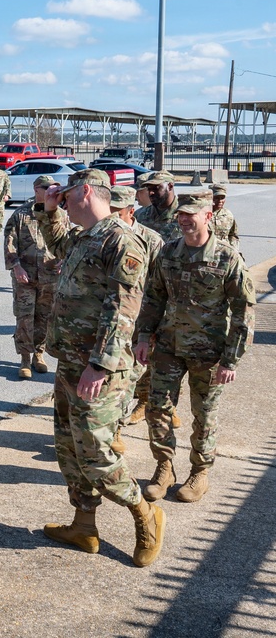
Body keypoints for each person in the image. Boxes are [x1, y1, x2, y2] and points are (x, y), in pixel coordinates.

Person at [35, 168, 165, 568]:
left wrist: (100, 364)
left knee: (95, 452)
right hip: (72, 362)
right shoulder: (85, 237)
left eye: (68, 195)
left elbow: (123, 310)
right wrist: (50, 207)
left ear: (86, 191)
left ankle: (144, 513)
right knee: (69, 447)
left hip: (99, 368)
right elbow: (56, 242)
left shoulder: (122, 241)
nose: (64, 200)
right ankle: (84, 525)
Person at [135, 191, 255, 503]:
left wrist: (231, 359)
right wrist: (144, 337)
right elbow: (153, 298)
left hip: (209, 352)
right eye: (182, 214)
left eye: (192, 214)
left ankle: (199, 472)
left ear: (208, 217)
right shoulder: (169, 252)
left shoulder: (228, 258)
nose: (185, 219)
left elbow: (244, 312)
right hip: (169, 347)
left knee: (204, 414)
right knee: (157, 408)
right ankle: (164, 467)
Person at [107, 185, 163, 455]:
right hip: (111, 320)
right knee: (115, 378)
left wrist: (153, 326)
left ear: (131, 210)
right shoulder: (104, 235)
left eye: (117, 212)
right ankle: (113, 428)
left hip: (140, 322)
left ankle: (120, 424)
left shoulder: (151, 241)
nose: (112, 217)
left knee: (132, 376)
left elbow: (161, 286)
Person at [3, 175, 60, 379]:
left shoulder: (59, 215)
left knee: (44, 318)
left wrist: (65, 260)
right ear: (37, 189)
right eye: (47, 188)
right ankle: (25, 359)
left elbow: (68, 241)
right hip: (25, 277)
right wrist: (16, 267)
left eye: (54, 188)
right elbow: (10, 243)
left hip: (50, 276)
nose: (51, 191)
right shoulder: (21, 215)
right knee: (25, 318)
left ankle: (39, 355)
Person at [134, 170, 182, 243]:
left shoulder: (184, 215)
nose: (151, 193)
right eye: (149, 189)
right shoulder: (140, 215)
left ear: (170, 186)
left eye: (156, 188)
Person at [209, 183, 239, 249]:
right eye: (216, 198)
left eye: (222, 198)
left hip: (224, 254)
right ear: (210, 197)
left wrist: (234, 250)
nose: (220, 201)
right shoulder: (202, 215)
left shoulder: (228, 215)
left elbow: (233, 235)